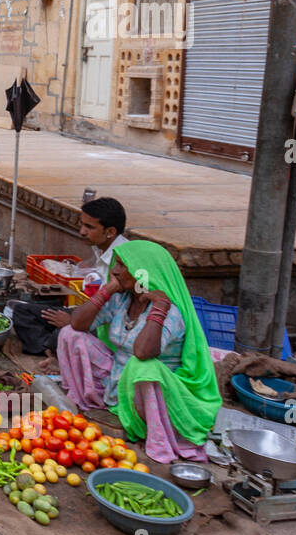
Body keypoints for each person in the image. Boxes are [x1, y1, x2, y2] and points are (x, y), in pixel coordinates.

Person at [55, 239, 220, 464]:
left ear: (144, 273)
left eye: (123, 266)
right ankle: (97, 401)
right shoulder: (122, 299)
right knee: (70, 335)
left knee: (143, 366)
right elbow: (78, 324)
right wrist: (108, 289)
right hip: (116, 384)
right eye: (117, 264)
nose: (115, 270)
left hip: (150, 393)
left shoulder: (170, 312)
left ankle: (151, 431)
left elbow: (142, 352)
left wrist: (160, 307)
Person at [42, 196, 129, 330]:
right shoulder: (99, 248)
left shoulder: (123, 259)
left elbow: (112, 310)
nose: (82, 232)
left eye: (89, 227)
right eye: (82, 224)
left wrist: (72, 321)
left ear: (110, 232)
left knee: (60, 334)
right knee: (24, 312)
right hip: (90, 310)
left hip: (107, 322)